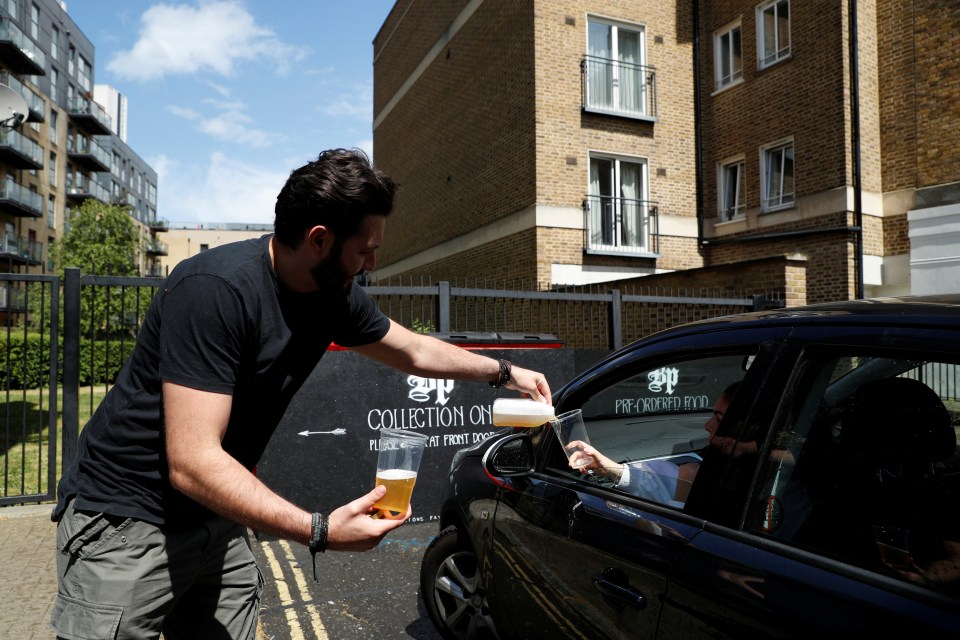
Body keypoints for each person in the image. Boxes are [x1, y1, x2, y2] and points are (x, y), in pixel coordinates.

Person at [50, 148, 553, 639]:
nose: (373, 263)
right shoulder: (215, 289)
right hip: (126, 522)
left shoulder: (334, 296)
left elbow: (414, 351)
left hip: (215, 518)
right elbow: (192, 460)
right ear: (319, 239)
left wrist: (504, 371)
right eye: (365, 250)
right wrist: (319, 531)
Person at [568, 382, 740, 505]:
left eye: (719, 419)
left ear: (749, 427)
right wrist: (611, 469)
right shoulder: (710, 464)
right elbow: (657, 485)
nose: (707, 425)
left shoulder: (748, 478)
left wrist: (682, 497)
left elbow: (678, 533)